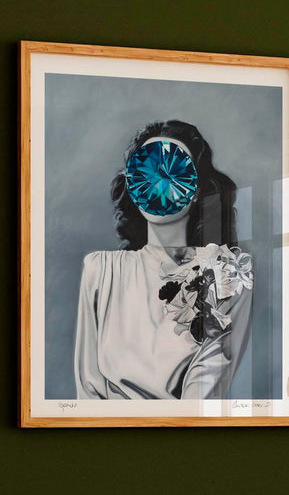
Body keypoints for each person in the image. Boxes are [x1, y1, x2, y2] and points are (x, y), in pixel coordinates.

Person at [75, 119, 253, 400]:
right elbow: (89, 390)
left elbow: (204, 391)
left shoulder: (226, 273)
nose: (159, 182)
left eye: (173, 169)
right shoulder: (100, 271)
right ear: (132, 184)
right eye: (146, 170)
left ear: (195, 190)